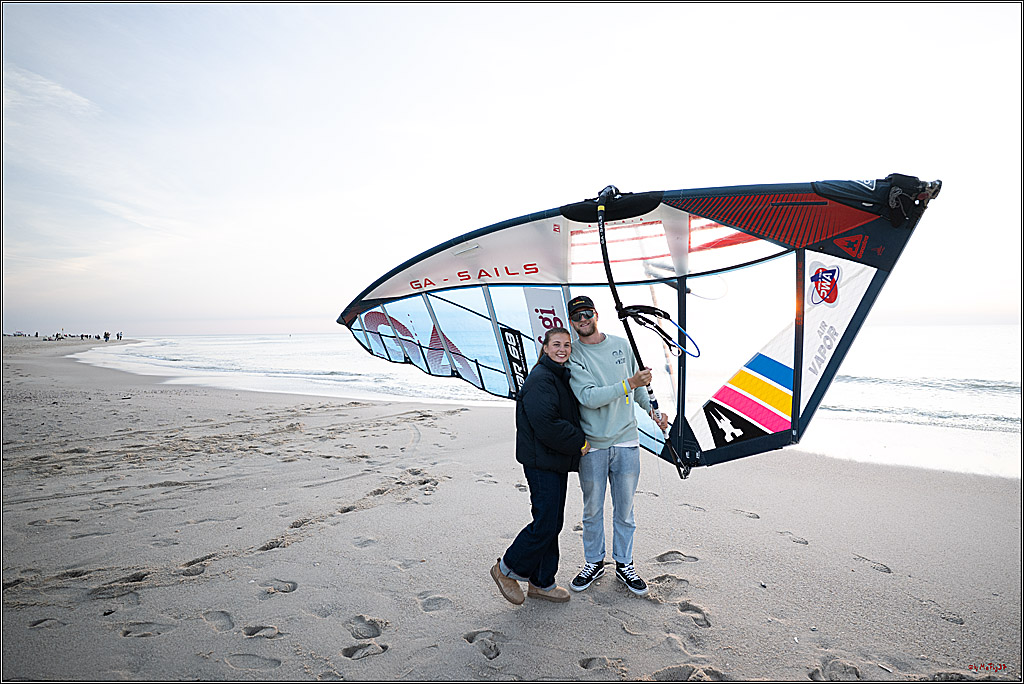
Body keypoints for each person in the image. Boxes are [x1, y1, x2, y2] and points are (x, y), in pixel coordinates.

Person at [565, 295, 668, 596]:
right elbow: (589, 397)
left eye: (586, 314)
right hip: (593, 444)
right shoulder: (574, 355)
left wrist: (654, 412)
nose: (582, 320)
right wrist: (631, 384)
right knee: (592, 509)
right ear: (572, 323)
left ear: (596, 315)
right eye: (576, 317)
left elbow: (639, 392)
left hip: (626, 441)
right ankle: (594, 562)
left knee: (625, 510)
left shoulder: (622, 345)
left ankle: (624, 564)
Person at [491, 327, 590, 605]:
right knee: (546, 522)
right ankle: (506, 569)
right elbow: (547, 425)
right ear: (544, 347)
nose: (562, 349)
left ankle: (542, 582)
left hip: (554, 459)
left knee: (552, 522)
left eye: (567, 345)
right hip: (541, 461)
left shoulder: (558, 375)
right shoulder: (541, 378)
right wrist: (580, 442)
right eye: (556, 344)